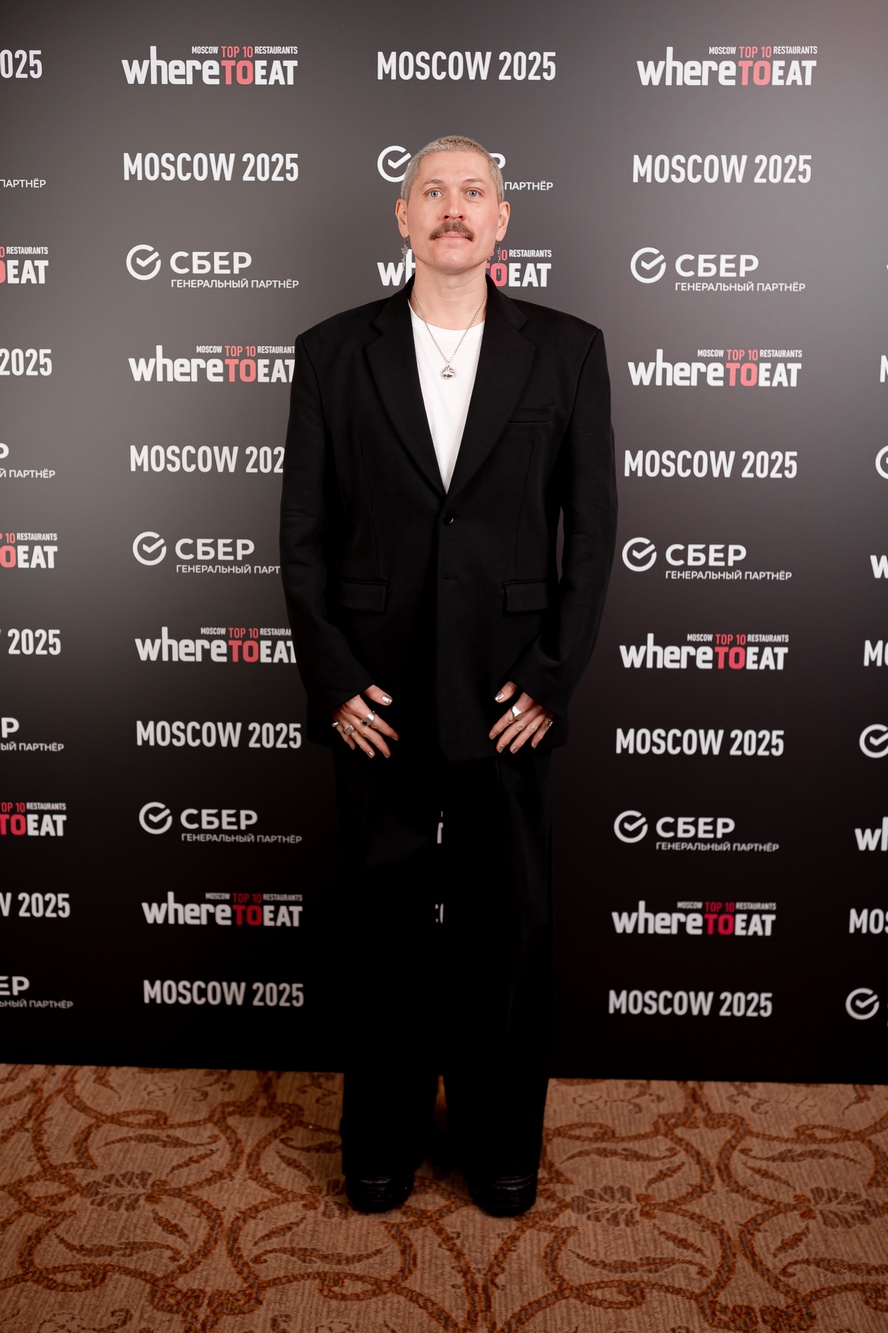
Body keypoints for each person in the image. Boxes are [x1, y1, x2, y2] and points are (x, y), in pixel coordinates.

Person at [280, 135, 616, 1217]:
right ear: (404, 216)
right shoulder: (332, 351)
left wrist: (552, 679)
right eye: (433, 190)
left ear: (503, 218)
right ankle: (378, 1138)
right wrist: (333, 679)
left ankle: (498, 1140)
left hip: (509, 694)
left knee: (506, 931)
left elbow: (591, 535)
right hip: (375, 699)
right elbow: (303, 539)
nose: (454, 207)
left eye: (475, 191)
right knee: (381, 934)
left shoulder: (567, 351)